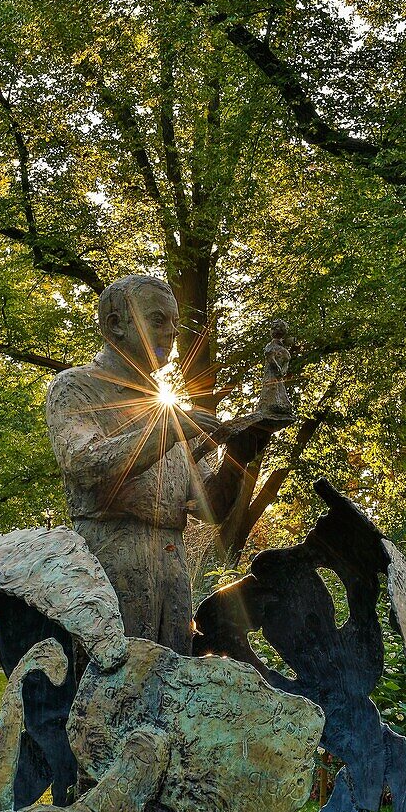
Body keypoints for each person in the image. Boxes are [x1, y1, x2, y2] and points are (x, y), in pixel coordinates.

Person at [46, 274, 279, 655]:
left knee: (169, 679)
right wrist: (168, 430)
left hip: (171, 562)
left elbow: (210, 507)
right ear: (115, 324)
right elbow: (84, 463)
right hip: (109, 558)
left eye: (174, 323)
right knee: (116, 681)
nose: (171, 332)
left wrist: (241, 453)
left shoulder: (169, 409)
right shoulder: (76, 388)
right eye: (157, 320)